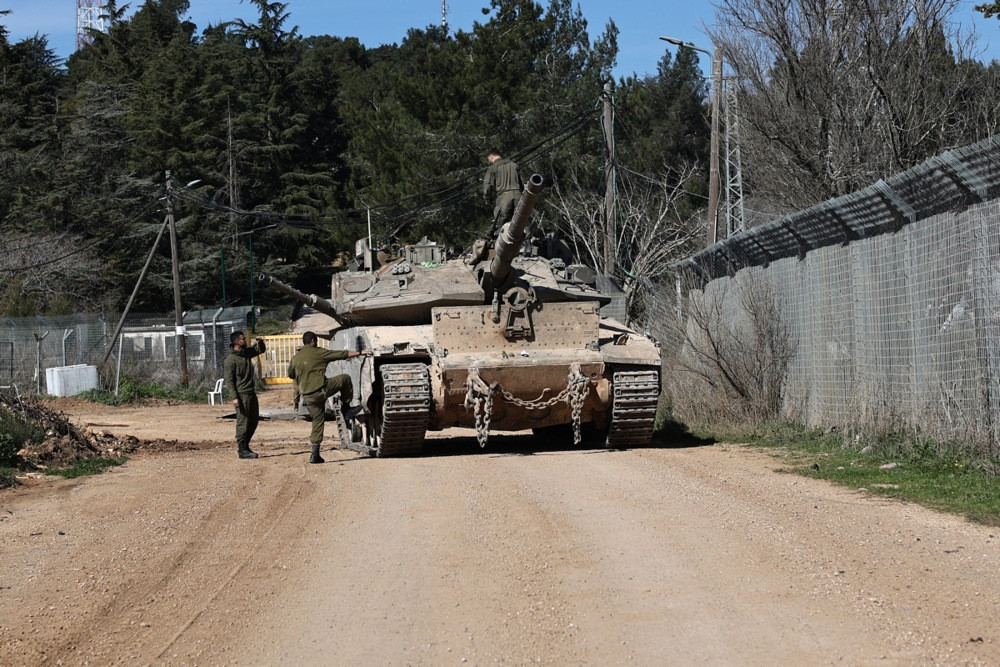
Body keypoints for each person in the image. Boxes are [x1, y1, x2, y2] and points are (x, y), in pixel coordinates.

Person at [287, 331, 370, 464]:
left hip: (308, 396)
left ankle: (315, 454)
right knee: (345, 378)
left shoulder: (296, 357)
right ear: (313, 341)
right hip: (321, 390)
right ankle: (347, 409)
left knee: (317, 421)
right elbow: (340, 354)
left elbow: (290, 374)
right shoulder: (318, 352)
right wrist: (360, 353)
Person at [223, 330, 267, 460]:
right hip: (241, 395)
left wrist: (260, 342)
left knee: (253, 421)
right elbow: (229, 381)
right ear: (237, 342)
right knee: (243, 422)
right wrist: (234, 397)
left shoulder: (246, 353)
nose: (245, 340)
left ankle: (246, 446)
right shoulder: (231, 360)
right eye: (242, 339)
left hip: (251, 392)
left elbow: (259, 350)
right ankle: (242, 449)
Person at [482, 149, 523, 236]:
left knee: (500, 225)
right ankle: (527, 244)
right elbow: (521, 184)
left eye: (488, 160)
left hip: (504, 198)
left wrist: (487, 199)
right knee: (520, 223)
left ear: (491, 157)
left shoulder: (492, 168)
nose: (489, 162)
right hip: (518, 196)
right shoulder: (514, 165)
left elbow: (487, 188)